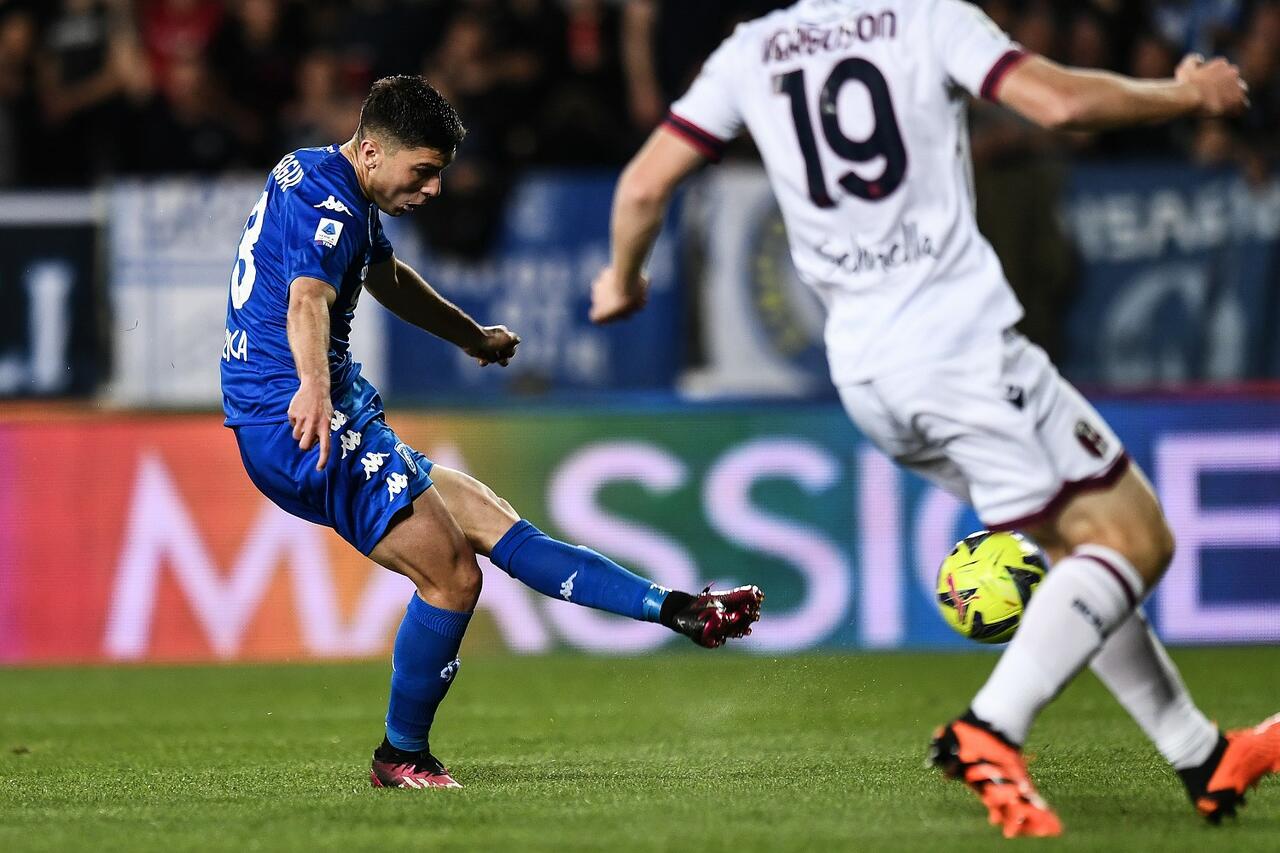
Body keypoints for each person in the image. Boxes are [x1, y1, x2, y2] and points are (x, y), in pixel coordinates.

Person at [591, 0, 1274, 838]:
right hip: (962, 351)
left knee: (1078, 547)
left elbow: (643, 184)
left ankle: (1202, 756)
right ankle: (989, 729)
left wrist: (622, 278)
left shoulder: (752, 50)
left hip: (869, 374)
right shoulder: (926, 21)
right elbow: (1059, 103)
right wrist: (1186, 94)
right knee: (1136, 540)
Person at [220, 75, 763, 790]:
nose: (435, 189)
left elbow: (388, 282)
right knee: (451, 576)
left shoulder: (322, 176)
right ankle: (401, 755)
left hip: (316, 406)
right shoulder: (333, 206)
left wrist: (470, 335)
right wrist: (315, 390)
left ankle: (676, 608)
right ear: (375, 151)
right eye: (424, 171)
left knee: (492, 522)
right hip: (298, 420)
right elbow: (307, 302)